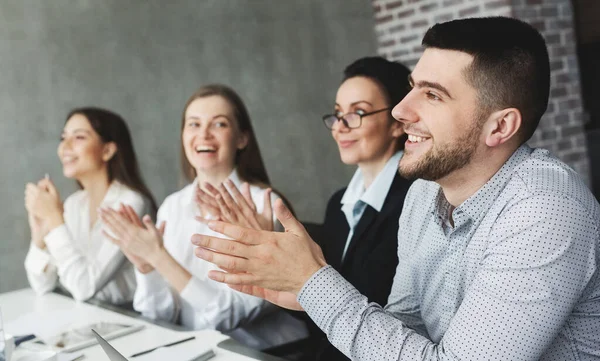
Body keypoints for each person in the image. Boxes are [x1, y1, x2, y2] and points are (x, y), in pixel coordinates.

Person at [191, 17, 600, 360]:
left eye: (433, 95)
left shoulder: (545, 209)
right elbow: (401, 331)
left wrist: (314, 284)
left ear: (500, 127)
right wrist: (307, 291)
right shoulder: (423, 194)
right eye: (412, 85)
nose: (402, 110)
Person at [100, 84, 306, 349]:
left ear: (242, 138)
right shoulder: (172, 206)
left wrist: (159, 257)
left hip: (265, 353)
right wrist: (147, 267)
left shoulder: (264, 205)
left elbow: (227, 316)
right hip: (192, 350)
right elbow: (158, 315)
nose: (203, 135)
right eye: (193, 124)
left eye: (219, 124)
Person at [24, 107, 157, 304]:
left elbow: (84, 288)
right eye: (63, 137)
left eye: (78, 137)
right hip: (89, 318)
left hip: (130, 318)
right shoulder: (74, 204)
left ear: (107, 150)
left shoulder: (131, 203)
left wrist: (54, 219)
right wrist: (40, 238)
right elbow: (42, 284)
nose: (65, 147)